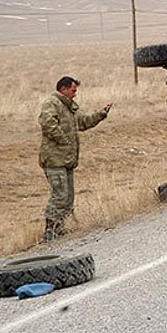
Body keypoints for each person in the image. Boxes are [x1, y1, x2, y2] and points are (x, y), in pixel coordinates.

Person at [39, 76, 112, 242]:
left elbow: (84, 122)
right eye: (73, 90)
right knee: (59, 195)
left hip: (67, 161)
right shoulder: (51, 103)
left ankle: (60, 228)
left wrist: (100, 115)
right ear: (63, 89)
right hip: (54, 160)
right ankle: (50, 231)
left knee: (68, 196)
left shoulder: (70, 108)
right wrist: (63, 141)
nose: (75, 94)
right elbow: (47, 124)